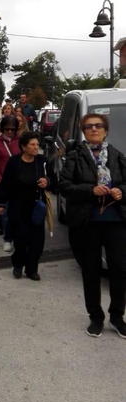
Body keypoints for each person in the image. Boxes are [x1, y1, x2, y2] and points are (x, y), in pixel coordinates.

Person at [60, 113, 126, 338]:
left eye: (98, 126)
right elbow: (64, 186)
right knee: (91, 271)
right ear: (84, 131)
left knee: (119, 269)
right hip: (87, 222)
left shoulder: (117, 156)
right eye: (88, 127)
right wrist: (90, 190)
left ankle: (117, 317)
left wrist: (121, 191)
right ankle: (95, 317)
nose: (94, 130)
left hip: (116, 221)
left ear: (106, 130)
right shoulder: (74, 157)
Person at [0, 131, 48, 281]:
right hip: (18, 206)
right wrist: (0, 202)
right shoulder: (14, 162)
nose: (36, 147)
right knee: (21, 240)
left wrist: (47, 181)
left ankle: (32, 269)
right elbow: (5, 183)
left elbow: (51, 178)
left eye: (37, 144)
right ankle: (18, 265)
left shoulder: (41, 161)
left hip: (36, 206)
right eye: (32, 144)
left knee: (37, 242)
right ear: (24, 147)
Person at [0, 115, 20, 248]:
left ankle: (18, 236)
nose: (10, 132)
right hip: (3, 183)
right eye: (7, 129)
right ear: (2, 129)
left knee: (19, 211)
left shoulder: (20, 141)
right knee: (5, 212)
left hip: (19, 182)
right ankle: (8, 239)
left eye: (13, 129)